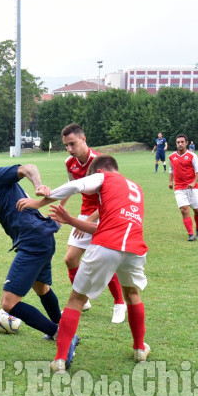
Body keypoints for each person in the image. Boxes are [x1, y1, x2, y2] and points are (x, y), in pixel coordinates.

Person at [16, 155, 150, 372]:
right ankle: (139, 349)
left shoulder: (103, 177)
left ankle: (59, 359)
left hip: (107, 246)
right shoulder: (135, 189)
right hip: (134, 249)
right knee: (132, 294)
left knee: (76, 300)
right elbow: (106, 227)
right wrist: (70, 221)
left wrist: (38, 203)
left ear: (98, 172)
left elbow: (77, 185)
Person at [0, 163, 79, 355]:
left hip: (33, 242)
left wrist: (38, 186)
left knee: (8, 303)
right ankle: (63, 330)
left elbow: (29, 168)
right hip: (40, 238)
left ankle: (61, 334)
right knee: (41, 288)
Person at [60, 123, 126, 323]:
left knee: (105, 262)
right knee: (70, 259)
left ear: (83, 139)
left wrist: (90, 219)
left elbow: (111, 196)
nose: (70, 149)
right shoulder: (69, 163)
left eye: (73, 144)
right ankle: (84, 300)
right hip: (84, 215)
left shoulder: (100, 163)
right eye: (66, 146)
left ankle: (119, 304)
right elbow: (72, 188)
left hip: (103, 215)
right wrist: (60, 210)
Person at [168, 134, 198, 241]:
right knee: (184, 210)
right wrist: (170, 181)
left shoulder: (193, 156)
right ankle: (191, 234)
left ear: (186, 143)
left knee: (197, 211)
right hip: (179, 188)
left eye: (182, 142)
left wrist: (193, 183)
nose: (180, 144)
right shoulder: (171, 157)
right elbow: (171, 170)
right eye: (178, 142)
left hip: (192, 188)